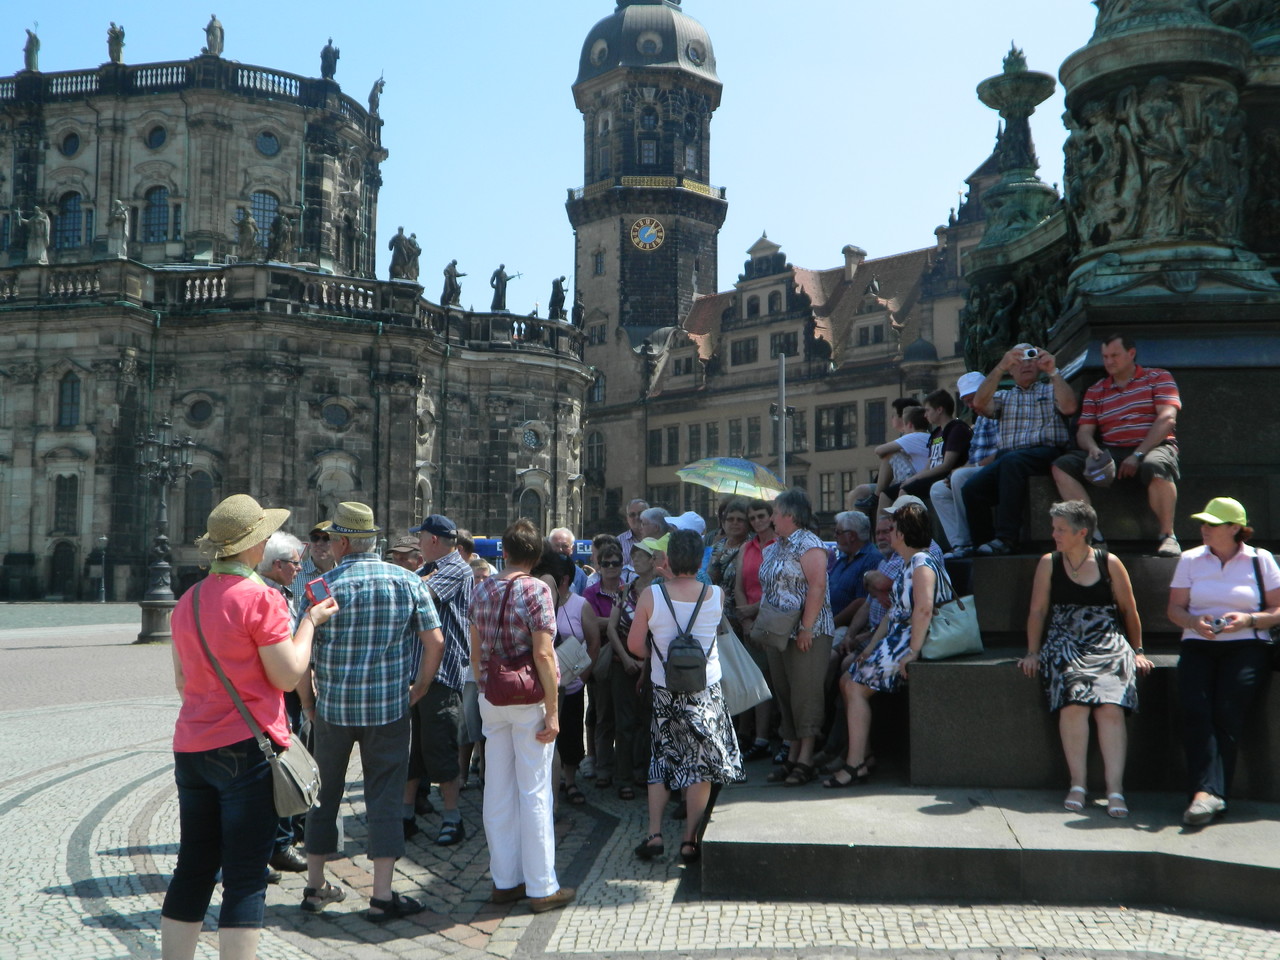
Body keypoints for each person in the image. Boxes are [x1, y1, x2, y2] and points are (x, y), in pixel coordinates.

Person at [161, 494, 337, 960]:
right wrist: (311, 623)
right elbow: (286, 675)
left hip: (192, 746)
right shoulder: (261, 598)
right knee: (244, 876)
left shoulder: (188, 601)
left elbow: (183, 682)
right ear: (254, 543)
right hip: (246, 748)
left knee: (193, 868)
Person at [299, 502, 443, 921]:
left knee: (323, 795)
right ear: (373, 540)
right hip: (388, 709)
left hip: (333, 710)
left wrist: (308, 703)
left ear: (342, 542)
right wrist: (419, 688)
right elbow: (435, 643)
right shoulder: (406, 581)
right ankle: (382, 895)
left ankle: (314, 886)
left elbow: (300, 655)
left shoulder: (322, 587)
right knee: (384, 796)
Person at [469, 519, 575, 913]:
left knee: (496, 788)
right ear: (535, 556)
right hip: (528, 695)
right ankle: (541, 885)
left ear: (505, 552)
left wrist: (483, 685)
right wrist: (552, 709)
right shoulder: (536, 590)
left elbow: (475, 648)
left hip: (491, 695)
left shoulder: (482, 587)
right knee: (534, 790)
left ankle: (504, 880)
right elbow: (544, 654)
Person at [1018, 501, 1150, 818]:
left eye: (1060, 529)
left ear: (1082, 532)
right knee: (1074, 700)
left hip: (1106, 638)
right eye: (1054, 528)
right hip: (1065, 639)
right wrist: (1033, 651)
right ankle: (1078, 783)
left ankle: (1114, 789)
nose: (1054, 534)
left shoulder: (1109, 563)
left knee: (1110, 706)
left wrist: (1139, 650)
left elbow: (1129, 610)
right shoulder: (1049, 563)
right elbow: (1037, 611)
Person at [627, 529, 744, 862]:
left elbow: (635, 645)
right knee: (700, 766)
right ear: (699, 559)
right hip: (705, 690)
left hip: (666, 690)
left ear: (667, 559)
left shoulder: (651, 596)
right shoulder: (715, 594)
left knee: (662, 759)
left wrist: (655, 650)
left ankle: (654, 834)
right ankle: (690, 839)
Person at [1166, 497, 1280, 826]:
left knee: (1227, 713)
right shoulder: (1190, 559)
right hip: (1198, 644)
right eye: (1203, 523)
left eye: (1212, 524)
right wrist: (1193, 623)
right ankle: (1211, 795)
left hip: (1247, 645)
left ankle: (1205, 794)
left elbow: (1276, 611)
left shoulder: (1262, 559)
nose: (1204, 529)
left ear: (1235, 529)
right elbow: (1175, 609)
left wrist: (1247, 620)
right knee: (1195, 710)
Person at [828, 501, 947, 787]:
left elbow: (924, 610)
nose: (887, 534)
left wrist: (913, 652)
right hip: (897, 636)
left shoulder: (921, 564)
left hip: (910, 638)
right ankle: (863, 754)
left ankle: (855, 764)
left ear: (904, 532)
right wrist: (868, 649)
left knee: (854, 686)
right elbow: (894, 611)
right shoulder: (909, 563)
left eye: (892, 529)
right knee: (847, 679)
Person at [1051, 334, 1183, 557]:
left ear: (1131, 354)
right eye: (1104, 356)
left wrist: (1139, 454)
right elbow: (1084, 432)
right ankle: (1092, 534)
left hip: (1154, 446)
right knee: (1062, 466)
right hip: (1112, 450)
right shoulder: (1096, 390)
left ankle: (1168, 535)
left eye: (1114, 355)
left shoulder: (1158, 377)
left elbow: (1168, 419)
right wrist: (1093, 449)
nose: (1109, 361)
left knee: (1156, 466)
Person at [963, 343, 1077, 555]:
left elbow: (1070, 407)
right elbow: (979, 404)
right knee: (972, 488)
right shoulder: (1004, 397)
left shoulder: (1050, 388)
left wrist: (1053, 371)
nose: (1026, 364)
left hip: (1045, 451)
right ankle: (983, 544)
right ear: (1011, 368)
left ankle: (1007, 538)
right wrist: (1000, 367)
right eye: (1019, 360)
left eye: (1031, 358)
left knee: (1011, 462)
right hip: (1011, 458)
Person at [402, 514, 472, 846]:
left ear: (432, 540)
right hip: (416, 672)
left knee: (439, 746)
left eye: (420, 538)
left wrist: (392, 577)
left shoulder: (455, 568)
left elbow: (420, 595)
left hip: (441, 675)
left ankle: (452, 817)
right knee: (411, 749)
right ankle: (405, 814)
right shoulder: (423, 570)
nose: (416, 544)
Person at [757, 488, 834, 787]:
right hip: (778, 632)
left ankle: (806, 759)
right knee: (786, 693)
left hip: (808, 632)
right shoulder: (775, 546)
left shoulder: (810, 544)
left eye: (775, 512)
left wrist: (806, 627)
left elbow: (816, 587)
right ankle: (792, 755)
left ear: (790, 514)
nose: (771, 517)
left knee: (806, 693)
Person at [255, 530, 310, 863]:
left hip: (279, 691)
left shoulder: (282, 591)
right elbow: (289, 656)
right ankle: (279, 844)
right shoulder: (270, 596)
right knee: (279, 767)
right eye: (294, 563)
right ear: (276, 565)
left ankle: (279, 839)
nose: (299, 569)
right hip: (279, 692)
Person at [606, 537, 660, 796]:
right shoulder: (624, 591)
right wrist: (627, 659)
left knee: (648, 720)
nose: (635, 560)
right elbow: (611, 628)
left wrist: (646, 661)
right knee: (624, 722)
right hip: (623, 663)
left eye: (640, 556)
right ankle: (624, 777)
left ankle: (645, 772)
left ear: (653, 561)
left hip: (653, 663)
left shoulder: (661, 591)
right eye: (634, 555)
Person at [548, 552, 599, 805]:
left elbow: (593, 641)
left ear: (564, 579)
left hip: (571, 683)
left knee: (570, 731)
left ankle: (569, 780)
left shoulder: (580, 605)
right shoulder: (538, 600)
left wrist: (582, 675)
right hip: (543, 685)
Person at [931, 372, 999, 558]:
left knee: (960, 477)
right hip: (978, 469)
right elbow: (974, 454)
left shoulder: (998, 412)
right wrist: (959, 470)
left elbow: (1003, 451)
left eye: (972, 399)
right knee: (938, 489)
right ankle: (959, 544)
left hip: (997, 469)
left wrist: (965, 469)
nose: (970, 405)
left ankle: (968, 541)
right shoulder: (980, 419)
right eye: (967, 401)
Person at [732, 498, 778, 761]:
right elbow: (739, 586)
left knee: (773, 682)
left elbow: (778, 588)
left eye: (761, 516)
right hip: (749, 623)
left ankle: (768, 736)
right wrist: (747, 622)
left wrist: (753, 612)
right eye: (753, 518)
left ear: (771, 517)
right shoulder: (747, 548)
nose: (757, 521)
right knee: (756, 680)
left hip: (773, 620)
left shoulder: (779, 545)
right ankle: (758, 737)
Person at [584, 537, 626, 787]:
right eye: (606, 563)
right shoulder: (591, 592)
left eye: (616, 563)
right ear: (598, 566)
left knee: (625, 715)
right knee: (602, 714)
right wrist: (613, 622)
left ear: (622, 564)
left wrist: (604, 622)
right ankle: (602, 766)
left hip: (624, 658)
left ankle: (622, 766)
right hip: (600, 658)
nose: (611, 567)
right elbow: (587, 624)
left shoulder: (627, 590)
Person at [618, 498, 648, 567]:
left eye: (641, 513)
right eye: (632, 515)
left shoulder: (658, 538)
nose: (637, 517)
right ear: (627, 518)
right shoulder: (619, 542)